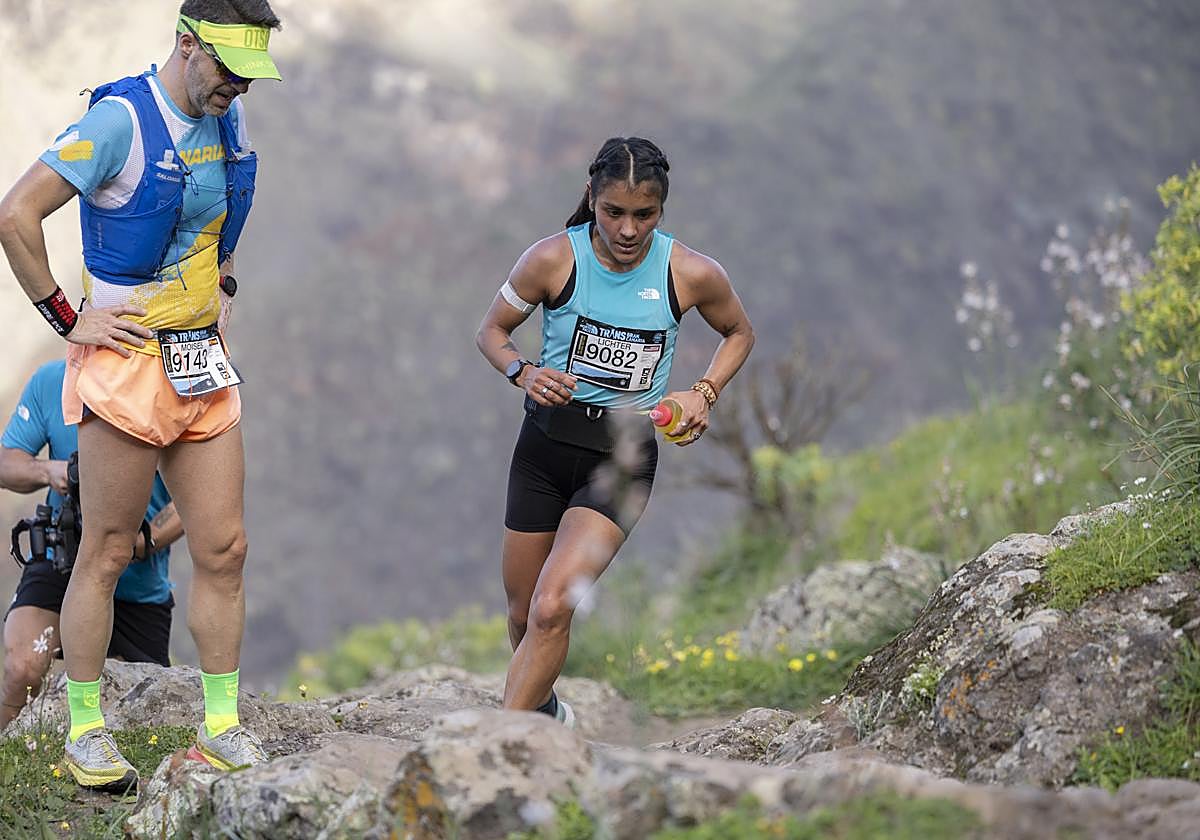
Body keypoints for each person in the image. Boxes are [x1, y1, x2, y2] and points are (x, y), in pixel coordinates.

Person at [0, 0, 282, 792]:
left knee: (224, 547)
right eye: (229, 69)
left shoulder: (230, 123)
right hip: (126, 365)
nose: (239, 88)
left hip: (200, 358)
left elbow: (222, 217)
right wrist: (67, 314)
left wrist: (222, 282)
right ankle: (85, 731)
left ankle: (221, 728)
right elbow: (16, 213)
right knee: (109, 550)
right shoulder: (120, 120)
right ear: (188, 46)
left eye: (250, 75)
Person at [476, 136, 755, 725]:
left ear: (662, 210)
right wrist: (523, 372)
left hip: (622, 460)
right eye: (614, 213)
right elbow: (492, 333)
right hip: (543, 448)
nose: (628, 230)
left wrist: (703, 393)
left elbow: (739, 333)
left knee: (554, 608)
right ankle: (547, 714)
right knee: (524, 616)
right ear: (592, 199)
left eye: (644, 215)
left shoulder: (691, 272)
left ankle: (502, 745)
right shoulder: (552, 259)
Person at [2, 360, 184, 731]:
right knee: (23, 667)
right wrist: (48, 471)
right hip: (60, 559)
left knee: (140, 714)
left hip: (136, 580)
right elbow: (6, 463)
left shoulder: (169, 384)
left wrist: (141, 542)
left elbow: (197, 497)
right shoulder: (53, 380)